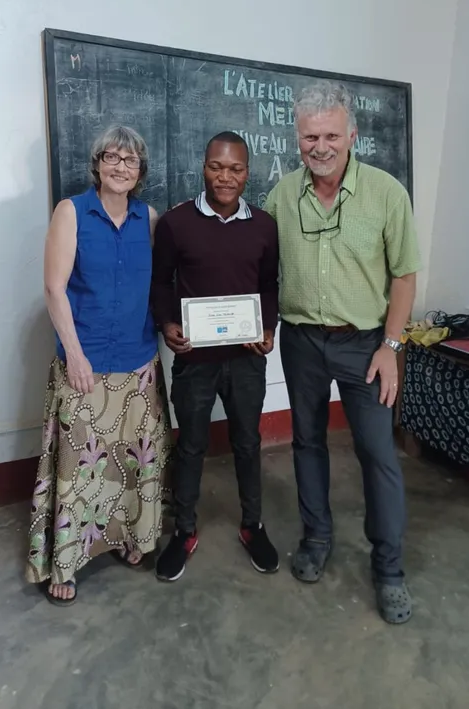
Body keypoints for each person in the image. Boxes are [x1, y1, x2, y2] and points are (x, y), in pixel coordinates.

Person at [265, 81, 421, 624]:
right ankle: (317, 538)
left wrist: (391, 346)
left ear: (352, 135)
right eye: (311, 136)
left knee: (378, 455)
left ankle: (389, 568)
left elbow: (403, 276)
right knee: (308, 443)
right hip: (302, 340)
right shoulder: (282, 195)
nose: (321, 146)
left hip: (365, 346)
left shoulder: (385, 193)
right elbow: (261, 267)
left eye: (332, 134)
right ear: (297, 138)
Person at [26, 126, 173, 606]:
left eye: (130, 160)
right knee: (80, 470)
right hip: (85, 361)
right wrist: (76, 353)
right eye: (112, 156)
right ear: (97, 163)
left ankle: (131, 536)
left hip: (137, 361)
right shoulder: (71, 212)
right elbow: (54, 288)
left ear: (140, 170)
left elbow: (160, 284)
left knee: (132, 462)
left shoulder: (148, 218)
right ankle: (66, 563)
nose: (120, 166)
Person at [151, 131, 279, 582]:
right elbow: (160, 283)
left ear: (248, 173)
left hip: (246, 359)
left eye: (236, 169)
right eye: (216, 167)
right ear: (202, 166)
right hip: (195, 363)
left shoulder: (264, 225)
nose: (226, 177)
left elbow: (268, 286)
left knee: (247, 442)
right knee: (191, 446)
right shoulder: (175, 223)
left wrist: (267, 327)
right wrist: (168, 326)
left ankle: (253, 525)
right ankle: (183, 532)